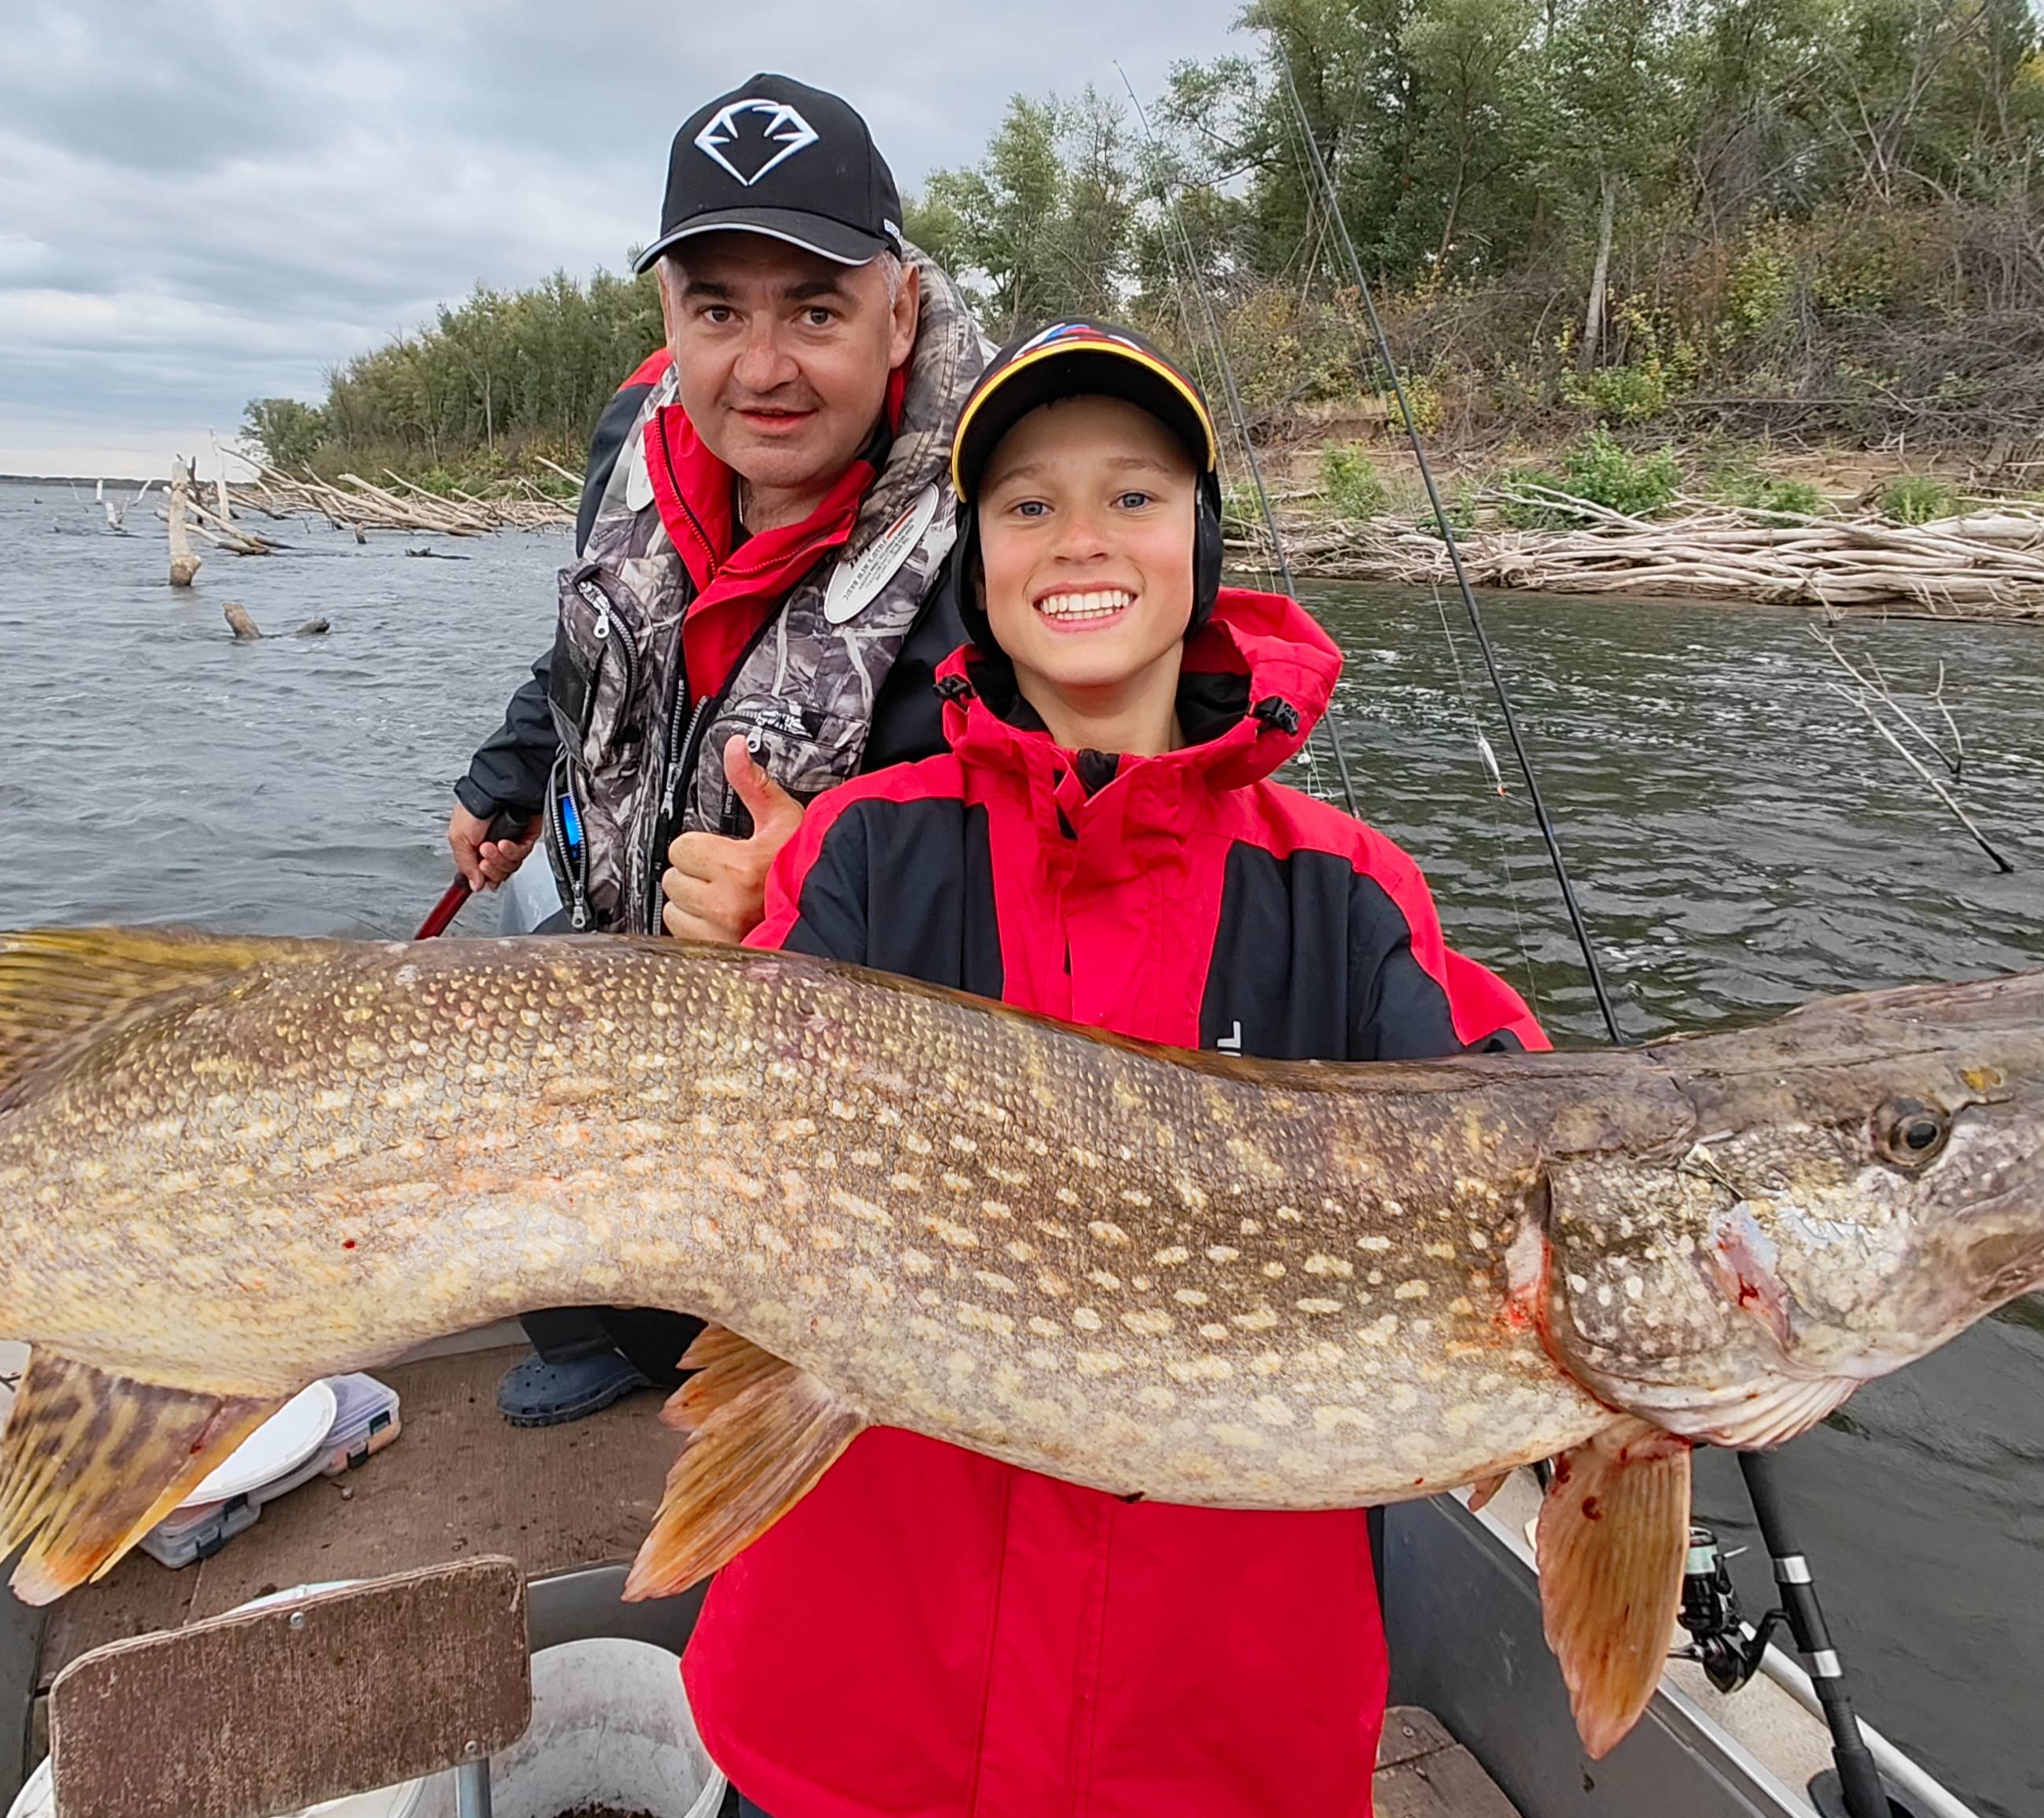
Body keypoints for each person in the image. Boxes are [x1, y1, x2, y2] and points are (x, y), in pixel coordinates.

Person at [681, 321, 1547, 1818]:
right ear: (980, 570)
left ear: (1200, 548)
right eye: (1027, 504)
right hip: (862, 1720)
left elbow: (1514, 1124)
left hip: (1210, 1751)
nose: (1081, 539)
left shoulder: (1341, 892)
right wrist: (728, 946)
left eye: (1135, 497)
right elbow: (734, 1155)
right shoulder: (868, 848)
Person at [445, 74, 989, 1427]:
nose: (763, 366)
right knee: (510, 1081)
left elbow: (1023, 840)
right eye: (719, 311)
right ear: (669, 320)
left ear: (900, 306)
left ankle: (754, 1349)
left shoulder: (996, 519)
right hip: (632, 938)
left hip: (837, 1053)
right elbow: (597, 641)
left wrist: (816, 883)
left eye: (816, 309)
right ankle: (626, 1334)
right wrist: (510, 778)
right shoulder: (637, 438)